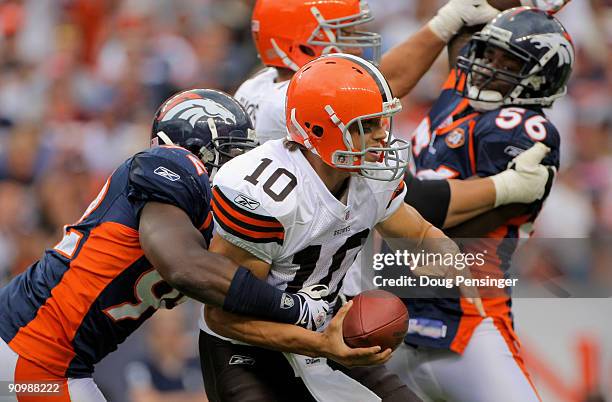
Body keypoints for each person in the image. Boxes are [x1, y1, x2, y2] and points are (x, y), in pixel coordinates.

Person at [0, 89, 373, 402]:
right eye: (232, 151)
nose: (242, 164)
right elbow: (183, 266)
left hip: (53, 356)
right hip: (32, 350)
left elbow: (237, 282)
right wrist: (296, 309)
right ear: (198, 147)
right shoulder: (169, 165)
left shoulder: (209, 212)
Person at [198, 53, 488, 402]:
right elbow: (222, 316)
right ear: (319, 130)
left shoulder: (372, 176)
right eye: (366, 126)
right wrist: (321, 344)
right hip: (249, 343)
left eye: (382, 122)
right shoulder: (266, 193)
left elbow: (420, 235)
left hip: (331, 328)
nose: (383, 136)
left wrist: (454, 267)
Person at [364, 8, 573, 402]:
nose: (487, 68)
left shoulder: (523, 128)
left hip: (466, 322)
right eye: (488, 55)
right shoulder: (460, 96)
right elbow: (377, 87)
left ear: (540, 77)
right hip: (397, 318)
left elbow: (419, 212)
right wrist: (453, 17)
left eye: (507, 62)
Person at [234, 0, 560, 239]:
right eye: (342, 32)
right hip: (307, 252)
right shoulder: (300, 102)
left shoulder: (259, 85)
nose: (355, 42)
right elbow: (413, 198)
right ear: (299, 40)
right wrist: (506, 187)